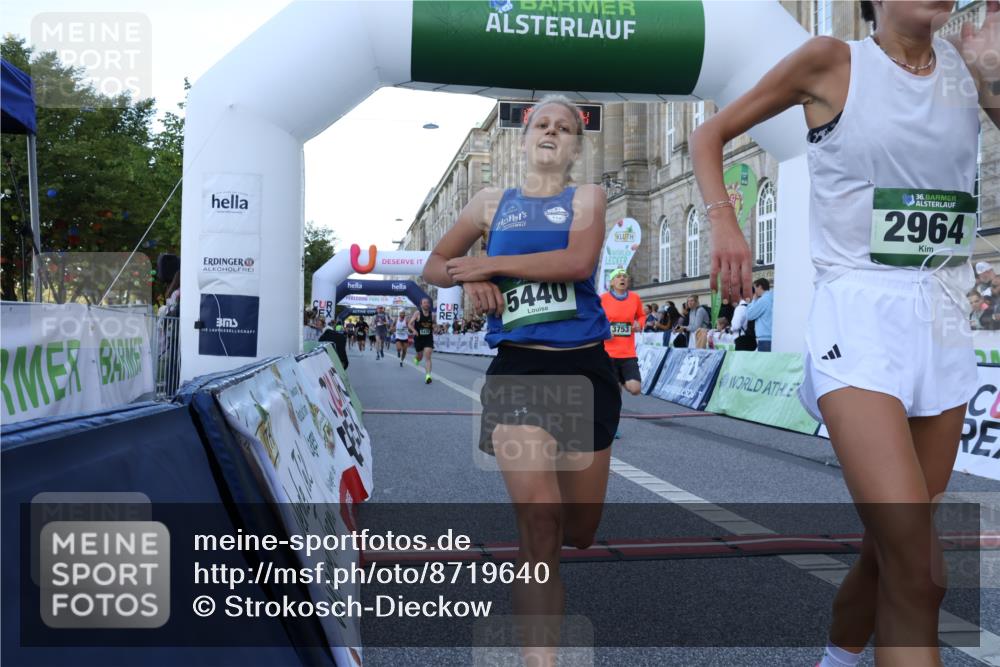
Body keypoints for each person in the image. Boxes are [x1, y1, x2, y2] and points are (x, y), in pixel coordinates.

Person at [691, 1, 995, 664]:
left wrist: (988, 74)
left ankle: (838, 657)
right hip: (856, 318)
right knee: (923, 570)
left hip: (942, 320)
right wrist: (723, 220)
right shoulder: (832, 61)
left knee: (887, 554)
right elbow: (708, 135)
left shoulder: (969, 69)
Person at [422, 94, 619, 666]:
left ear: (576, 146)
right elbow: (437, 261)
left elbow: (577, 263)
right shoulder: (490, 202)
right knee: (539, 521)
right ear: (525, 137)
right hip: (519, 369)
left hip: (585, 368)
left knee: (578, 530)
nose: (552, 132)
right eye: (542, 124)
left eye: (564, 127)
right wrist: (462, 279)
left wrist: (488, 267)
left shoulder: (587, 197)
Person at [599, 268, 645, 439]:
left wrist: (639, 324)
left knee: (635, 389)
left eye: (625, 276)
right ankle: (613, 427)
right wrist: (604, 330)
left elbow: (641, 316)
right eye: (618, 276)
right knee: (614, 394)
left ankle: (620, 381)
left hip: (628, 353)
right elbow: (596, 318)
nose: (622, 279)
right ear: (612, 282)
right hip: (608, 352)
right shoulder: (603, 299)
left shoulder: (635, 298)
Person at [409, 297, 436, 384]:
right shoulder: (417, 313)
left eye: (427, 303)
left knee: (428, 357)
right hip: (419, 338)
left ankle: (428, 376)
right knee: (420, 357)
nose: (426, 304)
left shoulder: (432, 315)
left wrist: (435, 327)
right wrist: (414, 330)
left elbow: (434, 325)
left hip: (428, 338)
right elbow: (409, 324)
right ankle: (416, 359)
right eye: (424, 303)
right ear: (421, 305)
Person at [745, 278, 774, 351]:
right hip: (772, 336)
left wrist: (754, 301)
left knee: (764, 361)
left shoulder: (763, 300)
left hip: (764, 338)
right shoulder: (772, 297)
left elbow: (749, 315)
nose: (755, 292)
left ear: (760, 287)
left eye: (755, 288)